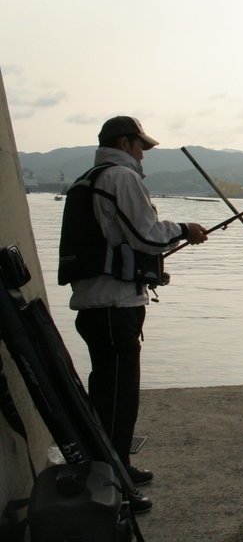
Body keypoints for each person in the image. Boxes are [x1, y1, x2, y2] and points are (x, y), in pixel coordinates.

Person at [58, 115, 208, 513]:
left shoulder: (88, 178)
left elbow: (122, 241)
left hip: (98, 302)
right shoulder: (121, 178)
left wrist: (155, 259)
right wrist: (184, 228)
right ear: (125, 143)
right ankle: (115, 482)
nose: (144, 154)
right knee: (118, 396)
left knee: (107, 390)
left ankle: (115, 466)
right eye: (141, 146)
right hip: (113, 307)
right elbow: (146, 233)